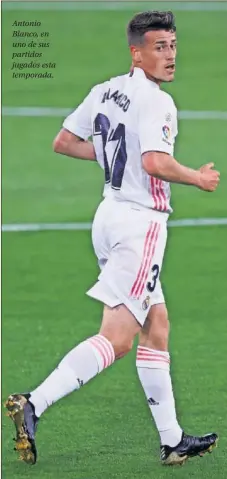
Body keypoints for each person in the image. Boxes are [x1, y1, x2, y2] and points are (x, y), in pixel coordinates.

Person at [6, 10, 219, 467]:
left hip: (108, 217)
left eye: (173, 46)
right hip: (140, 225)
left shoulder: (106, 90)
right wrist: (197, 179)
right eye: (159, 47)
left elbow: (63, 141)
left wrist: (108, 161)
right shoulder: (157, 101)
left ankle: (172, 439)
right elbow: (155, 163)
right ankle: (34, 403)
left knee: (156, 326)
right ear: (136, 52)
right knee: (119, 337)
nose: (170, 56)